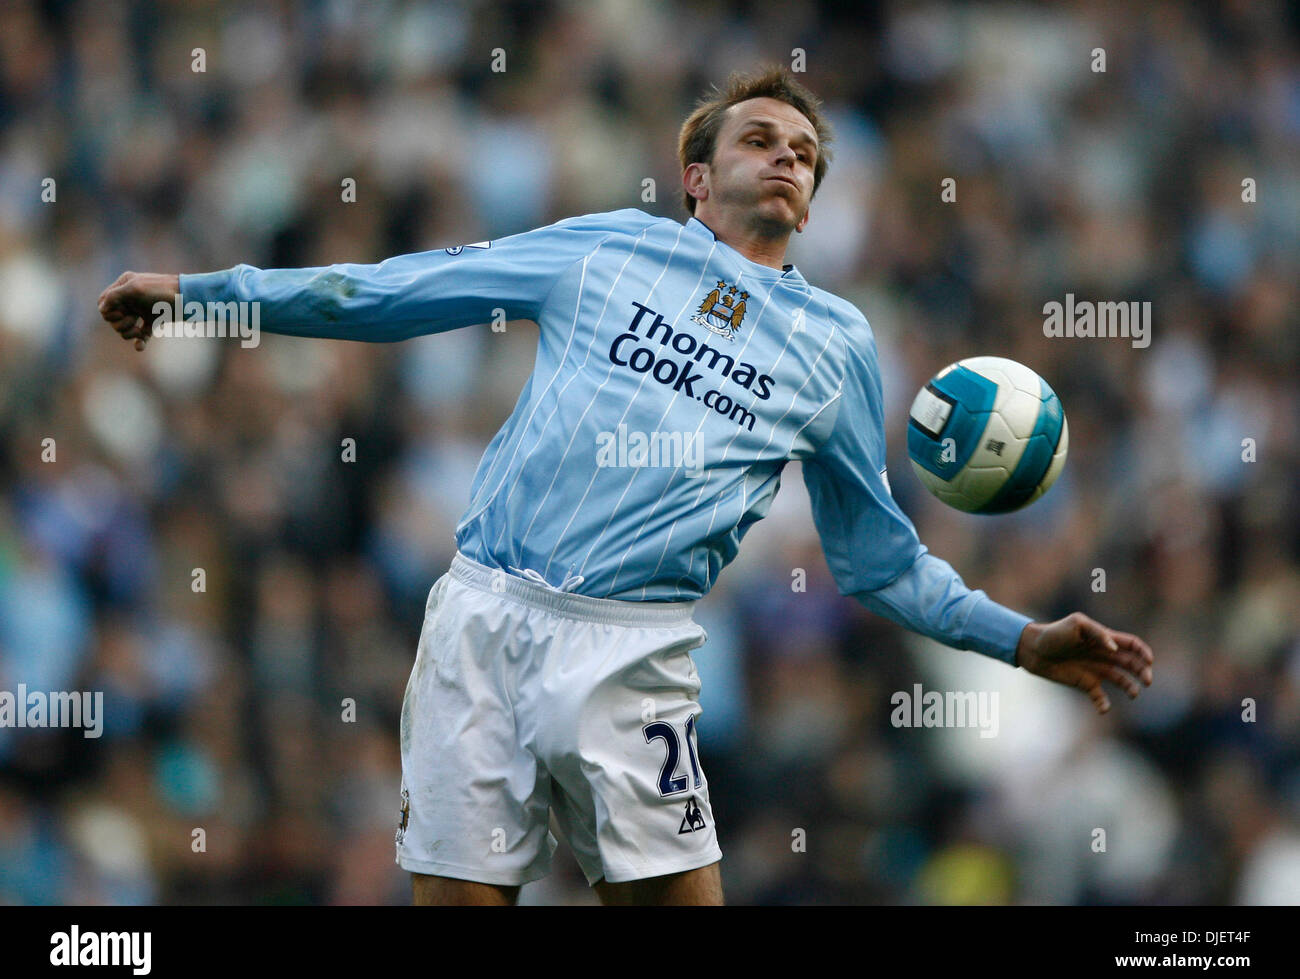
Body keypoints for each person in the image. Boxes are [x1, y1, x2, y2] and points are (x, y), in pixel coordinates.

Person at [96, 65, 1154, 906]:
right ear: (693, 176)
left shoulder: (834, 344)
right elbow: (391, 291)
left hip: (629, 644)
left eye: (805, 154)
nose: (786, 158)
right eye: (758, 139)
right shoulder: (604, 250)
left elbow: (876, 559)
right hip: (481, 615)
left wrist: (1017, 638)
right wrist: (204, 295)